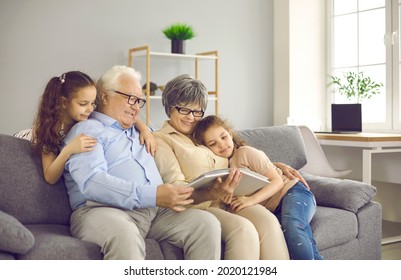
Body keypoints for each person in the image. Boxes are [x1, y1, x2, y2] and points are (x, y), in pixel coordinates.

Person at [62, 65, 222, 260]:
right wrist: (153, 195)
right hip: (101, 211)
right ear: (104, 97)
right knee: (125, 235)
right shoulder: (88, 130)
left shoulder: (141, 131)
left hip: (154, 213)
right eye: (131, 99)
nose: (136, 107)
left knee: (206, 224)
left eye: (140, 101)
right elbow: (92, 183)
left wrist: (207, 193)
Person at [153, 74, 289, 260]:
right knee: (243, 229)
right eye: (184, 110)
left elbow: (235, 154)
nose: (191, 118)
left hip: (231, 198)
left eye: (197, 111)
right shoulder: (162, 139)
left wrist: (275, 165)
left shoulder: (205, 134)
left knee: (269, 222)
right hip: (201, 205)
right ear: (169, 108)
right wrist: (211, 192)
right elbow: (177, 186)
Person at [193, 115, 323, 260]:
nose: (221, 145)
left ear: (230, 134)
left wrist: (250, 200)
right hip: (275, 206)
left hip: (292, 191)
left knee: (292, 225)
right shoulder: (222, 168)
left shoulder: (246, 153)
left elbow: (277, 182)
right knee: (296, 237)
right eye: (213, 143)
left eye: (223, 137)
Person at [17, 71, 156, 185]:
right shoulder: (50, 130)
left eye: (92, 104)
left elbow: (131, 117)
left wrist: (144, 130)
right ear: (63, 102)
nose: (89, 109)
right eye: (83, 104)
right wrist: (69, 149)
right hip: (25, 137)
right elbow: (50, 176)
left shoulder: (86, 116)